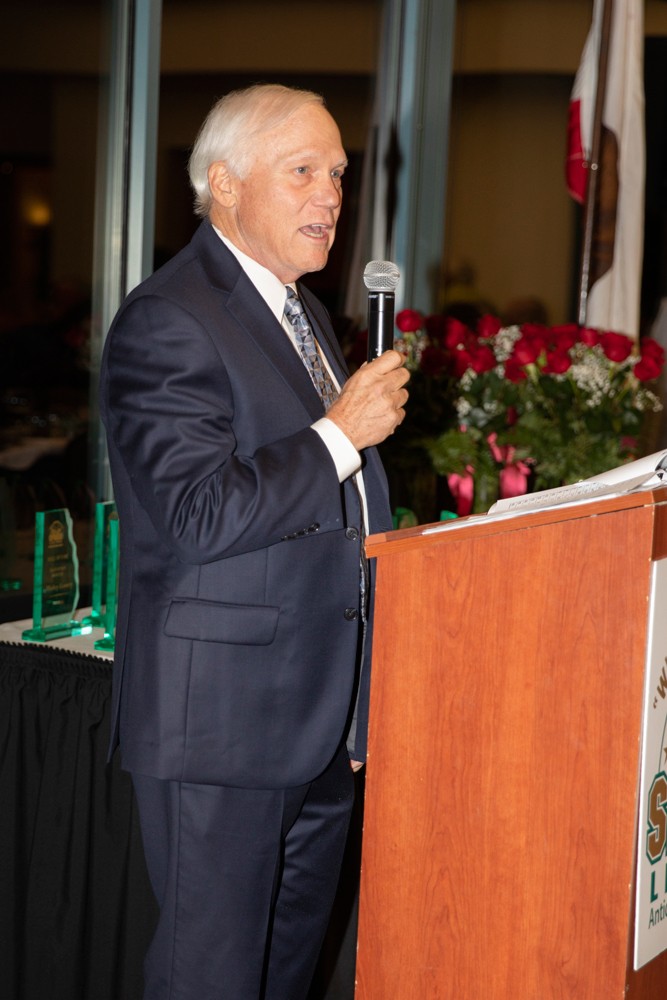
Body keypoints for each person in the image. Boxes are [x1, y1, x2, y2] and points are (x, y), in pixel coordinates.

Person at [100, 83, 409, 1000]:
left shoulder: (298, 312)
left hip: (318, 726)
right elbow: (197, 514)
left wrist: (362, 699)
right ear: (225, 185)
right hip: (224, 729)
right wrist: (339, 433)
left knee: (282, 979)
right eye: (303, 171)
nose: (330, 197)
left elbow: (338, 516)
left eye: (339, 175)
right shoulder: (169, 317)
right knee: (212, 980)